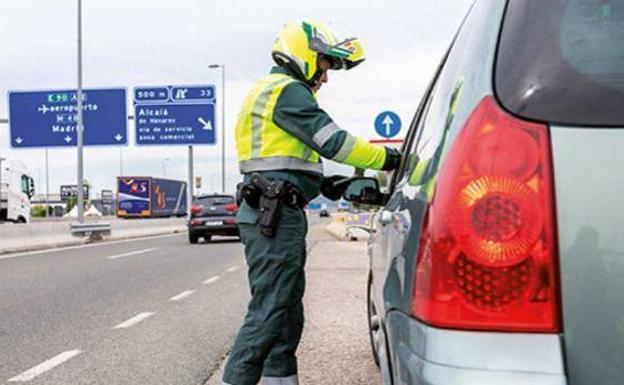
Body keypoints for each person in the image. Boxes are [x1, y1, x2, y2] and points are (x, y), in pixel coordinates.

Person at [223, 20, 401, 385]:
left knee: (286, 315)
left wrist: (325, 184)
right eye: (325, 64)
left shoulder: (271, 91)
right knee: (271, 311)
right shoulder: (287, 91)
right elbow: (335, 142)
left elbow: (283, 162)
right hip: (272, 214)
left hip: (272, 208)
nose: (327, 76)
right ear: (304, 54)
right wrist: (394, 159)